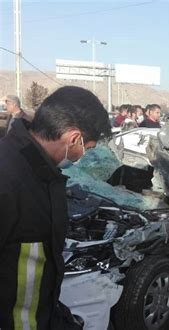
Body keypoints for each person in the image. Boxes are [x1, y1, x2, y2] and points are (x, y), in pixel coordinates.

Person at [0, 86, 111, 330]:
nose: (83, 156)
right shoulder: (8, 178)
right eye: (87, 148)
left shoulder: (44, 175)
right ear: (73, 138)